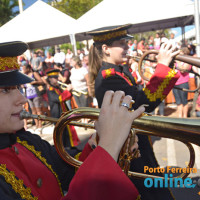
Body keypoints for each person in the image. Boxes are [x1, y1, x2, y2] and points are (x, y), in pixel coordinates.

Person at [0, 41, 144, 200]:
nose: (22, 99)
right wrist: (109, 148)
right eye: (5, 90)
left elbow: (71, 175)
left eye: (19, 88)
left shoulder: (27, 141)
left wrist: (100, 141)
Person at [88, 24, 180, 200]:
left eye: (126, 43)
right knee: (150, 193)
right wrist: (162, 66)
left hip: (136, 141)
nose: (127, 47)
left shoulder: (118, 72)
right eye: (121, 43)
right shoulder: (109, 78)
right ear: (106, 49)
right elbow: (143, 103)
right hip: (128, 148)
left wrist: (168, 63)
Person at [46, 68, 78, 148]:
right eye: (55, 78)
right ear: (50, 79)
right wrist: (67, 90)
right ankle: (63, 150)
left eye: (57, 77)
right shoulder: (50, 90)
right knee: (61, 134)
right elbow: (59, 98)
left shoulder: (58, 87)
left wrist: (69, 92)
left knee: (67, 131)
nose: (58, 79)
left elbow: (66, 97)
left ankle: (70, 147)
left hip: (63, 113)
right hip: (57, 114)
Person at [172, 47, 191, 118]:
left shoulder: (187, 62)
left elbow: (183, 70)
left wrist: (178, 62)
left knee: (184, 101)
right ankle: (180, 117)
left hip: (183, 83)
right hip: (175, 84)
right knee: (178, 102)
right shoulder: (176, 61)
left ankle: (185, 117)